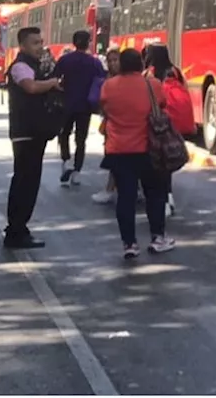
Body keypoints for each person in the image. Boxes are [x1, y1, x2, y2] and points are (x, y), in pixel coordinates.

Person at [99, 48, 175, 259]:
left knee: (125, 197)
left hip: (119, 150)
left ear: (121, 65)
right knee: (155, 195)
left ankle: (129, 244)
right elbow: (162, 106)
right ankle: (158, 237)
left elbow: (104, 109)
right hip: (149, 148)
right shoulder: (153, 85)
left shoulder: (108, 86)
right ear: (141, 64)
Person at [3, 27, 64, 249]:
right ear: (23, 45)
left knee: (28, 182)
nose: (40, 47)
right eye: (35, 43)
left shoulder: (35, 66)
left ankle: (19, 228)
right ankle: (16, 230)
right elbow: (30, 87)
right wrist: (52, 83)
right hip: (25, 133)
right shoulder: (20, 67)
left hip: (33, 133)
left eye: (41, 42)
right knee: (25, 183)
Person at [145, 45, 194, 217]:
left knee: (158, 166)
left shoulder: (150, 74)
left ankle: (164, 200)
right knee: (167, 164)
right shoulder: (176, 71)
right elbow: (185, 90)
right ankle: (169, 195)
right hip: (175, 125)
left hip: (158, 125)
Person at [54, 30, 105, 188]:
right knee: (81, 139)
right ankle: (77, 171)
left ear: (74, 43)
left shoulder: (64, 60)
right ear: (88, 42)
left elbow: (55, 78)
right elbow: (102, 80)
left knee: (64, 134)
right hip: (86, 105)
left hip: (67, 103)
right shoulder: (94, 62)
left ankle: (65, 160)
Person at [91, 47, 121, 206]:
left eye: (115, 60)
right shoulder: (106, 79)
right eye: (110, 61)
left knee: (116, 160)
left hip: (119, 127)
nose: (112, 64)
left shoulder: (122, 80)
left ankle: (110, 190)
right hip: (110, 125)